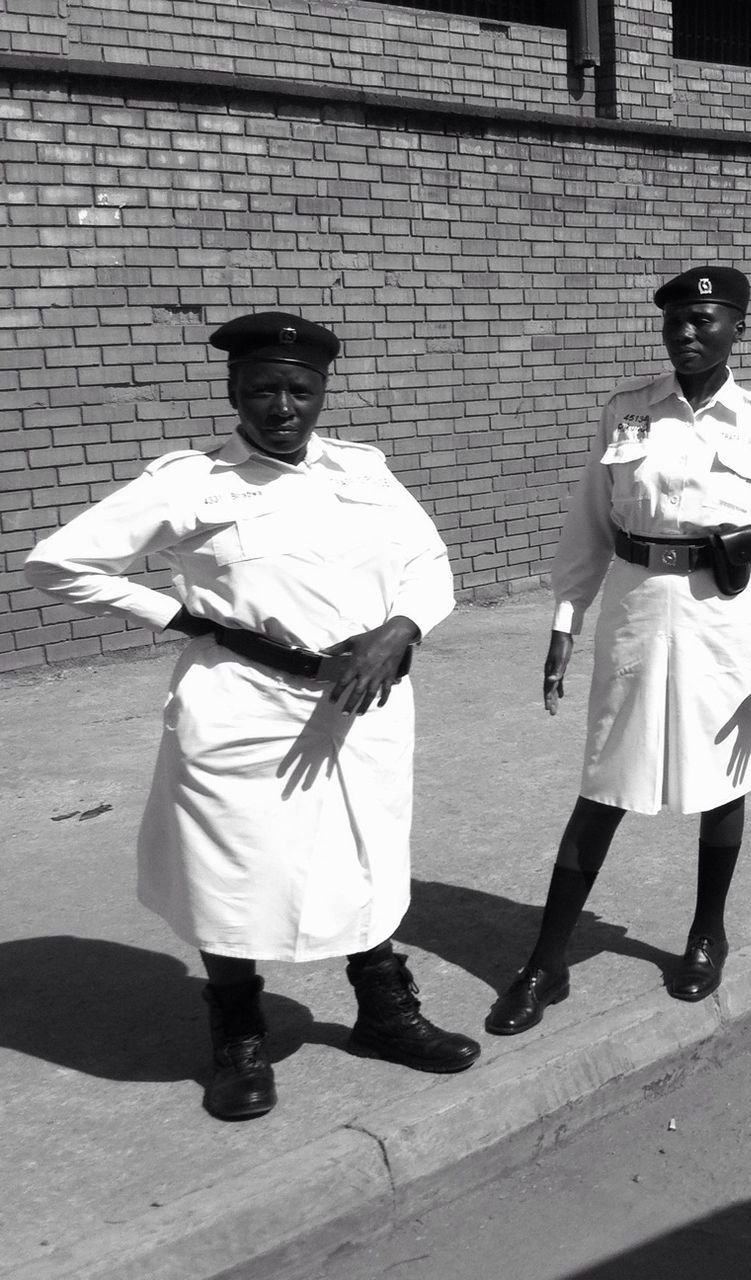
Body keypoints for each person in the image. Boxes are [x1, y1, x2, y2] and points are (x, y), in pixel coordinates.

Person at [24, 312, 480, 1121]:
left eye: (299, 389)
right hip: (245, 708)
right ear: (234, 392)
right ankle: (237, 1034)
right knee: (231, 873)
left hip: (362, 705)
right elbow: (59, 562)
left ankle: (384, 1011)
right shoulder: (189, 482)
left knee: (366, 858)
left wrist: (399, 631)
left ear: (321, 391)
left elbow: (428, 563)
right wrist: (185, 619)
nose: (281, 406)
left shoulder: (363, 471)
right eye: (262, 389)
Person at [485, 266, 751, 1036]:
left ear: (736, 329)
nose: (684, 332)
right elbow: (587, 527)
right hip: (637, 610)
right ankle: (546, 963)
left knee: (723, 780)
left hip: (723, 621)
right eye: (674, 320)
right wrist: (565, 621)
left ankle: (707, 934)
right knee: (604, 781)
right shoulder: (626, 413)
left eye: (703, 320)